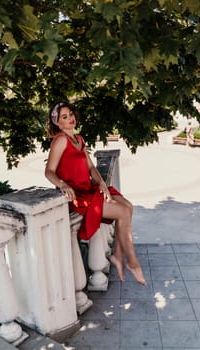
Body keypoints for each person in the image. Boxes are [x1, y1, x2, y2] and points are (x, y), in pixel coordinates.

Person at [45, 101, 146, 285]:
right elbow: (49, 171)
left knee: (128, 207)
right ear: (57, 123)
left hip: (88, 189)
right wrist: (63, 185)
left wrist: (102, 185)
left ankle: (117, 255)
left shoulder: (79, 139)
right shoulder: (60, 140)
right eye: (64, 117)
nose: (70, 119)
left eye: (71, 114)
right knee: (122, 212)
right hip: (77, 196)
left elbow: (91, 167)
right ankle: (132, 262)